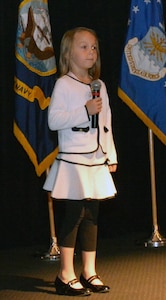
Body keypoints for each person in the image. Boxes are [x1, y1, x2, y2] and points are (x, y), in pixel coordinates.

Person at [43, 26, 118, 297]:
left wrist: (111, 155)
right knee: (74, 215)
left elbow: (106, 123)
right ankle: (65, 274)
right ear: (69, 52)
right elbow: (54, 121)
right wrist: (84, 111)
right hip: (74, 161)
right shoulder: (64, 84)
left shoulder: (99, 86)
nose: (91, 52)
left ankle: (89, 271)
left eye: (94, 47)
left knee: (92, 216)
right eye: (84, 46)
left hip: (96, 160)